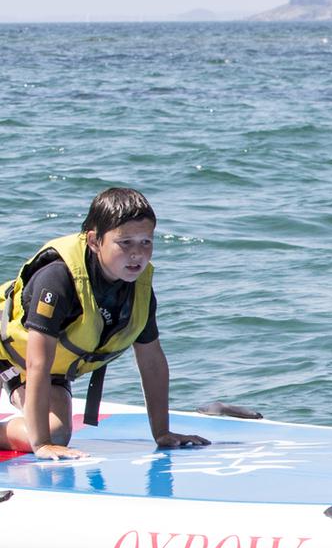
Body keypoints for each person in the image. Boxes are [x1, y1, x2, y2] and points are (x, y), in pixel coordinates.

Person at [1, 187, 209, 459]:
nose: (137, 254)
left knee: (58, 433)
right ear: (94, 241)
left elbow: (152, 362)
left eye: (146, 241)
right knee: (47, 438)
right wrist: (41, 445)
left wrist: (162, 433)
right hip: (11, 352)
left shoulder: (138, 291)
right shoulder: (58, 279)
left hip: (37, 368)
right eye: (125, 243)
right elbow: (37, 362)